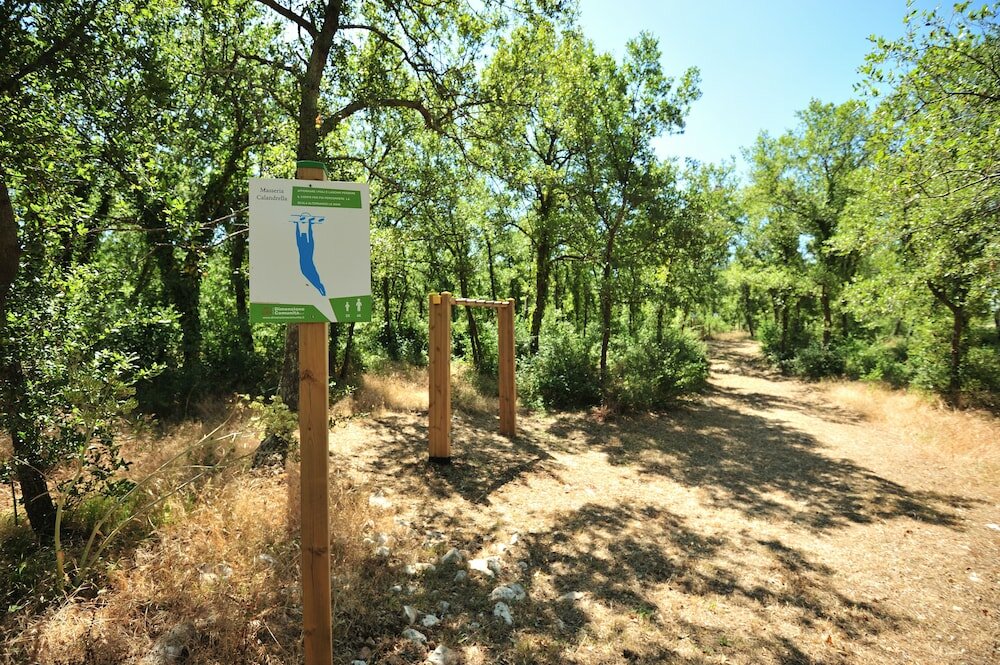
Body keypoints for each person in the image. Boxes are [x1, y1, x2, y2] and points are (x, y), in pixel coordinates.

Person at [293, 214, 326, 296]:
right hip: (305, 265)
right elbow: (306, 235)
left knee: (313, 277)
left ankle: (320, 287)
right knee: (314, 277)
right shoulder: (306, 246)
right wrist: (307, 224)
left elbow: (300, 235)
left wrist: (298, 224)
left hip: (304, 265)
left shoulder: (302, 245)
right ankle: (320, 287)